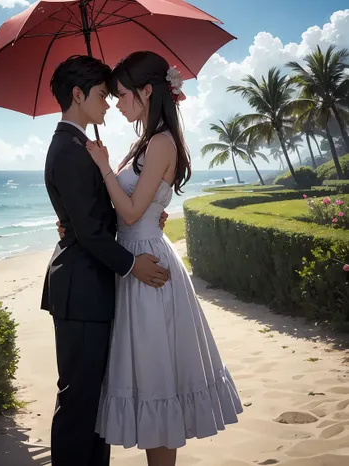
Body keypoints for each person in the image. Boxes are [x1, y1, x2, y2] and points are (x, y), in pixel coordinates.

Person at [60, 51, 243, 466]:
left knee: (158, 379)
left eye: (122, 94)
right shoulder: (143, 142)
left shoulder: (160, 142)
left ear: (147, 92)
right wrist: (78, 222)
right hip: (134, 258)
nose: (116, 103)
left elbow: (130, 211)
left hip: (146, 266)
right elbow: (129, 209)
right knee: (146, 379)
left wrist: (104, 166)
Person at [41, 55, 170, 466]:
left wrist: (148, 213)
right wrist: (133, 265)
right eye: (100, 94)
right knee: (79, 403)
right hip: (80, 291)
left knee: (94, 404)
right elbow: (91, 231)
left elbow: (93, 218)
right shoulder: (69, 149)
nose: (108, 102)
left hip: (92, 287)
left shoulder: (82, 146)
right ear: (77, 96)